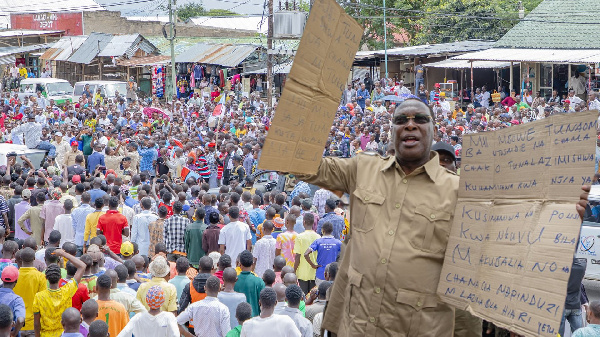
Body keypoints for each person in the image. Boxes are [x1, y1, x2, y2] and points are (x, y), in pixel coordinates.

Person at [33, 249, 86, 337]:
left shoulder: (39, 296)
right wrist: (63, 254)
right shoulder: (68, 290)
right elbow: (82, 266)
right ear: (60, 277)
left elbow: (36, 323)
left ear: (46, 277)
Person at [13, 248, 46, 336]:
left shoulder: (14, 275)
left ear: (20, 259)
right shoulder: (40, 277)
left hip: (16, 324)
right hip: (33, 324)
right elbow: (43, 302)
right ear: (34, 259)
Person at [293, 213, 320, 294]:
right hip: (314, 273)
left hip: (302, 273)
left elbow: (297, 256)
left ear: (303, 222)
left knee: (303, 297)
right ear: (313, 223)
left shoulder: (300, 237)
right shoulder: (318, 237)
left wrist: (294, 271)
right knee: (312, 296)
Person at [234, 250, 265, 317]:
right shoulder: (259, 282)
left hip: (238, 321)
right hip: (255, 320)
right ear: (252, 264)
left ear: (240, 264)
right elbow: (263, 303)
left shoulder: (234, 281)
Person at [0, 266, 25, 337]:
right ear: (16, 281)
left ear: (2, 279)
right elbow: (20, 320)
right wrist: (14, 333)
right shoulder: (17, 300)